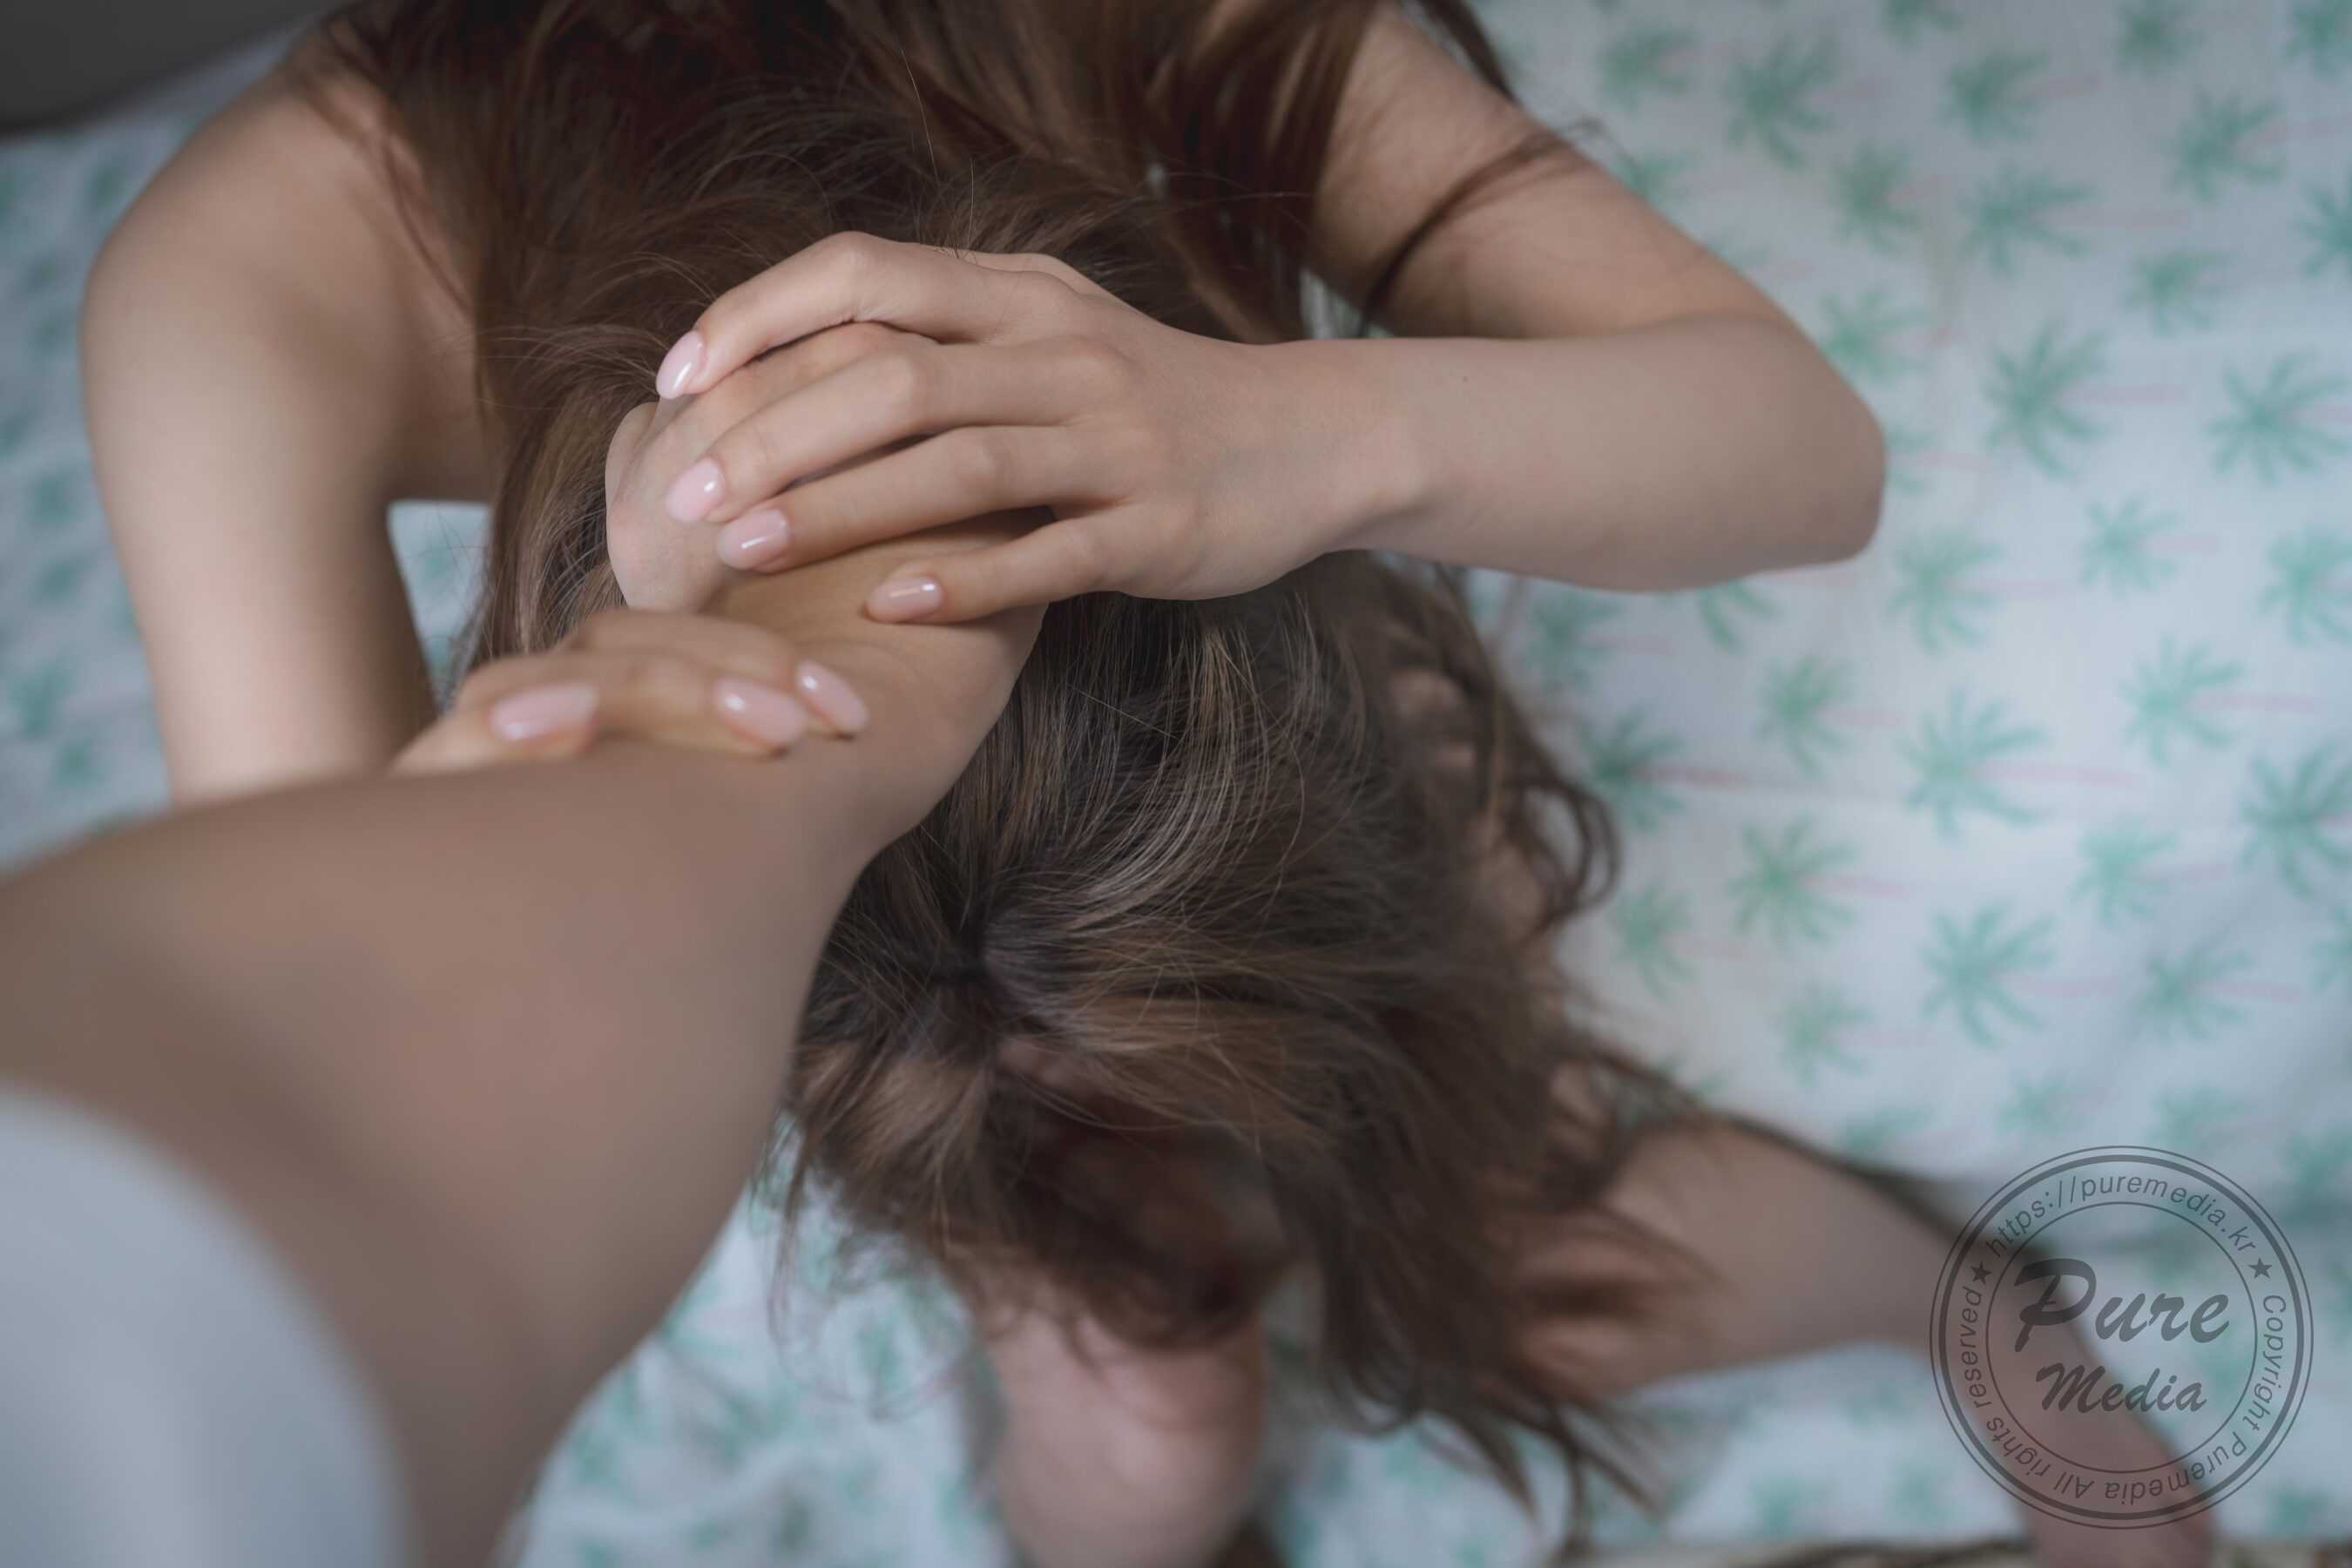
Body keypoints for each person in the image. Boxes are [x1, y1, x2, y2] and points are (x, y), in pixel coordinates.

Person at [64, 3, 2203, 1565]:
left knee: (1534, 1263)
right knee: (1148, 1434)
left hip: (1245, 765)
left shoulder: (1149, 22)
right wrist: (655, 754)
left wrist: (1288, 434)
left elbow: (1805, 450)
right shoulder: (249, 286)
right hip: (866, 967)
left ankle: (1985, 1304)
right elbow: (343, 1123)